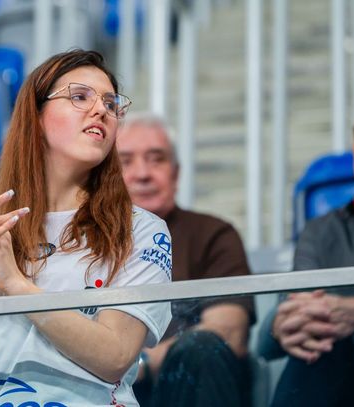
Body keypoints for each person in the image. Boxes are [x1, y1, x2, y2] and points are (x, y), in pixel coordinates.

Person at [0, 50, 172, 407]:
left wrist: (17, 286)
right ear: (36, 115)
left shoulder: (141, 230)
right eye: (80, 96)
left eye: (110, 103)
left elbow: (116, 356)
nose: (100, 110)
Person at [116, 114, 255, 407]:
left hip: (179, 388)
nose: (142, 174)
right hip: (97, 391)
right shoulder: (83, 242)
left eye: (157, 159)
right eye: (125, 162)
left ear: (176, 174)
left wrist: (137, 364)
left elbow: (228, 331)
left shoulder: (213, 234)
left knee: (201, 349)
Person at [259, 92, 354, 406]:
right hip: (341, 376)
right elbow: (281, 321)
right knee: (317, 348)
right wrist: (281, 324)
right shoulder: (322, 229)